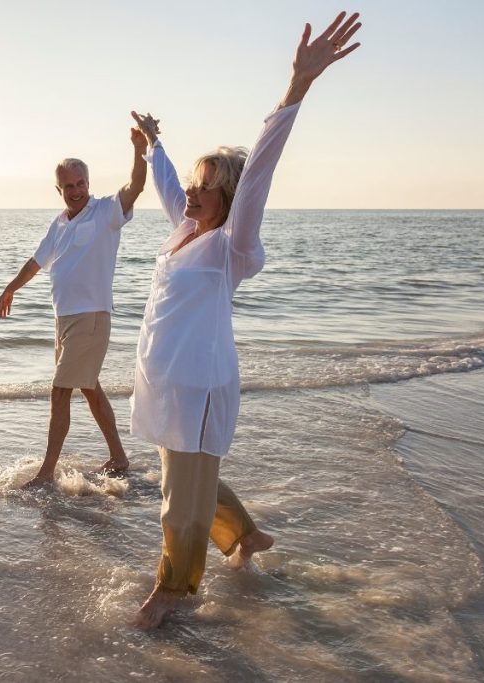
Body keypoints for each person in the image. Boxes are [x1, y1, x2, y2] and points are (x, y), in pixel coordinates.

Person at [128, 12, 363, 629]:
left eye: (206, 187)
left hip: (201, 385)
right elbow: (166, 186)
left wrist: (296, 88)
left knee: (180, 499)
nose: (192, 193)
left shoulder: (230, 245)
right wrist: (154, 142)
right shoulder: (184, 232)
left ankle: (173, 591)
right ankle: (246, 537)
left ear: (228, 196)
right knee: (184, 481)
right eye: (194, 185)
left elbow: (258, 172)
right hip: (168, 384)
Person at [0, 126, 148, 488]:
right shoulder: (59, 224)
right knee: (90, 389)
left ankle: (47, 471)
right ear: (59, 190)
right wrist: (10, 289)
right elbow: (36, 262)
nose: (77, 191)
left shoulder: (106, 212)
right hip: (64, 320)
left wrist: (139, 149)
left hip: (92, 317)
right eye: (69, 186)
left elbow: (135, 186)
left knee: (60, 390)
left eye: (81, 183)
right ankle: (119, 458)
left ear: (88, 183)